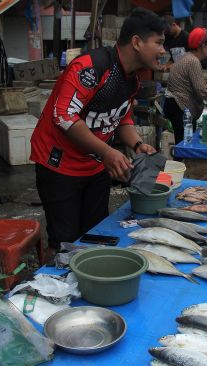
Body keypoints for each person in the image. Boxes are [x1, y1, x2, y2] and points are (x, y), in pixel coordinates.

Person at [30, 8, 163, 255]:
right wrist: (107, 152)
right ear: (136, 42)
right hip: (58, 165)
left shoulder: (132, 79)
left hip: (95, 166)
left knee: (95, 234)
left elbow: (121, 116)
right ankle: (56, 286)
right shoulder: (91, 67)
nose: (163, 50)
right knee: (65, 242)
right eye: (159, 42)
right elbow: (64, 116)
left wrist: (136, 145)